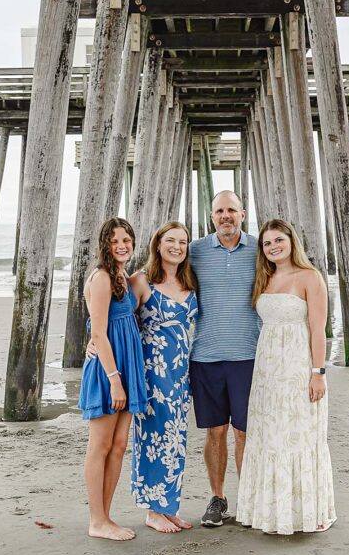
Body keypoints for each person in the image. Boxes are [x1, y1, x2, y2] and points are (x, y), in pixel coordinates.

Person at [236, 219, 336, 535]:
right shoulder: (264, 278)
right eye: (267, 243)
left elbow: (318, 330)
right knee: (270, 436)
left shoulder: (309, 277)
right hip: (266, 372)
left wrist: (318, 373)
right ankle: (272, 513)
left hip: (298, 367)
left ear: (291, 241)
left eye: (278, 240)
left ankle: (310, 513)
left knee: (301, 435)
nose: (273, 247)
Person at [189, 191, 259, 527]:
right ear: (211, 216)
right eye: (219, 211)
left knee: (245, 433)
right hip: (205, 357)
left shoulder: (261, 250)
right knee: (215, 431)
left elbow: (294, 280)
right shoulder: (195, 252)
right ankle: (218, 498)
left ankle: (247, 497)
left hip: (249, 357)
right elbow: (155, 278)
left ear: (243, 214)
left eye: (232, 210)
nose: (225, 215)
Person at [78, 217, 147, 541]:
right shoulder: (103, 276)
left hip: (125, 365)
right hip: (110, 369)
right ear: (105, 244)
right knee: (100, 446)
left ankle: (106, 516)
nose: (122, 245)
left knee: (119, 446)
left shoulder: (121, 275)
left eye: (127, 240)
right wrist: (115, 380)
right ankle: (96, 520)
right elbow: (99, 333)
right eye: (115, 240)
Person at [130, 222, 199, 533]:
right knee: (153, 439)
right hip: (151, 372)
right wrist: (94, 339)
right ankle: (152, 510)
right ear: (157, 244)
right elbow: (117, 316)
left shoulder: (189, 280)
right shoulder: (142, 281)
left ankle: (168, 506)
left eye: (183, 242)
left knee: (175, 438)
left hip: (179, 372)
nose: (177, 246)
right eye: (170, 240)